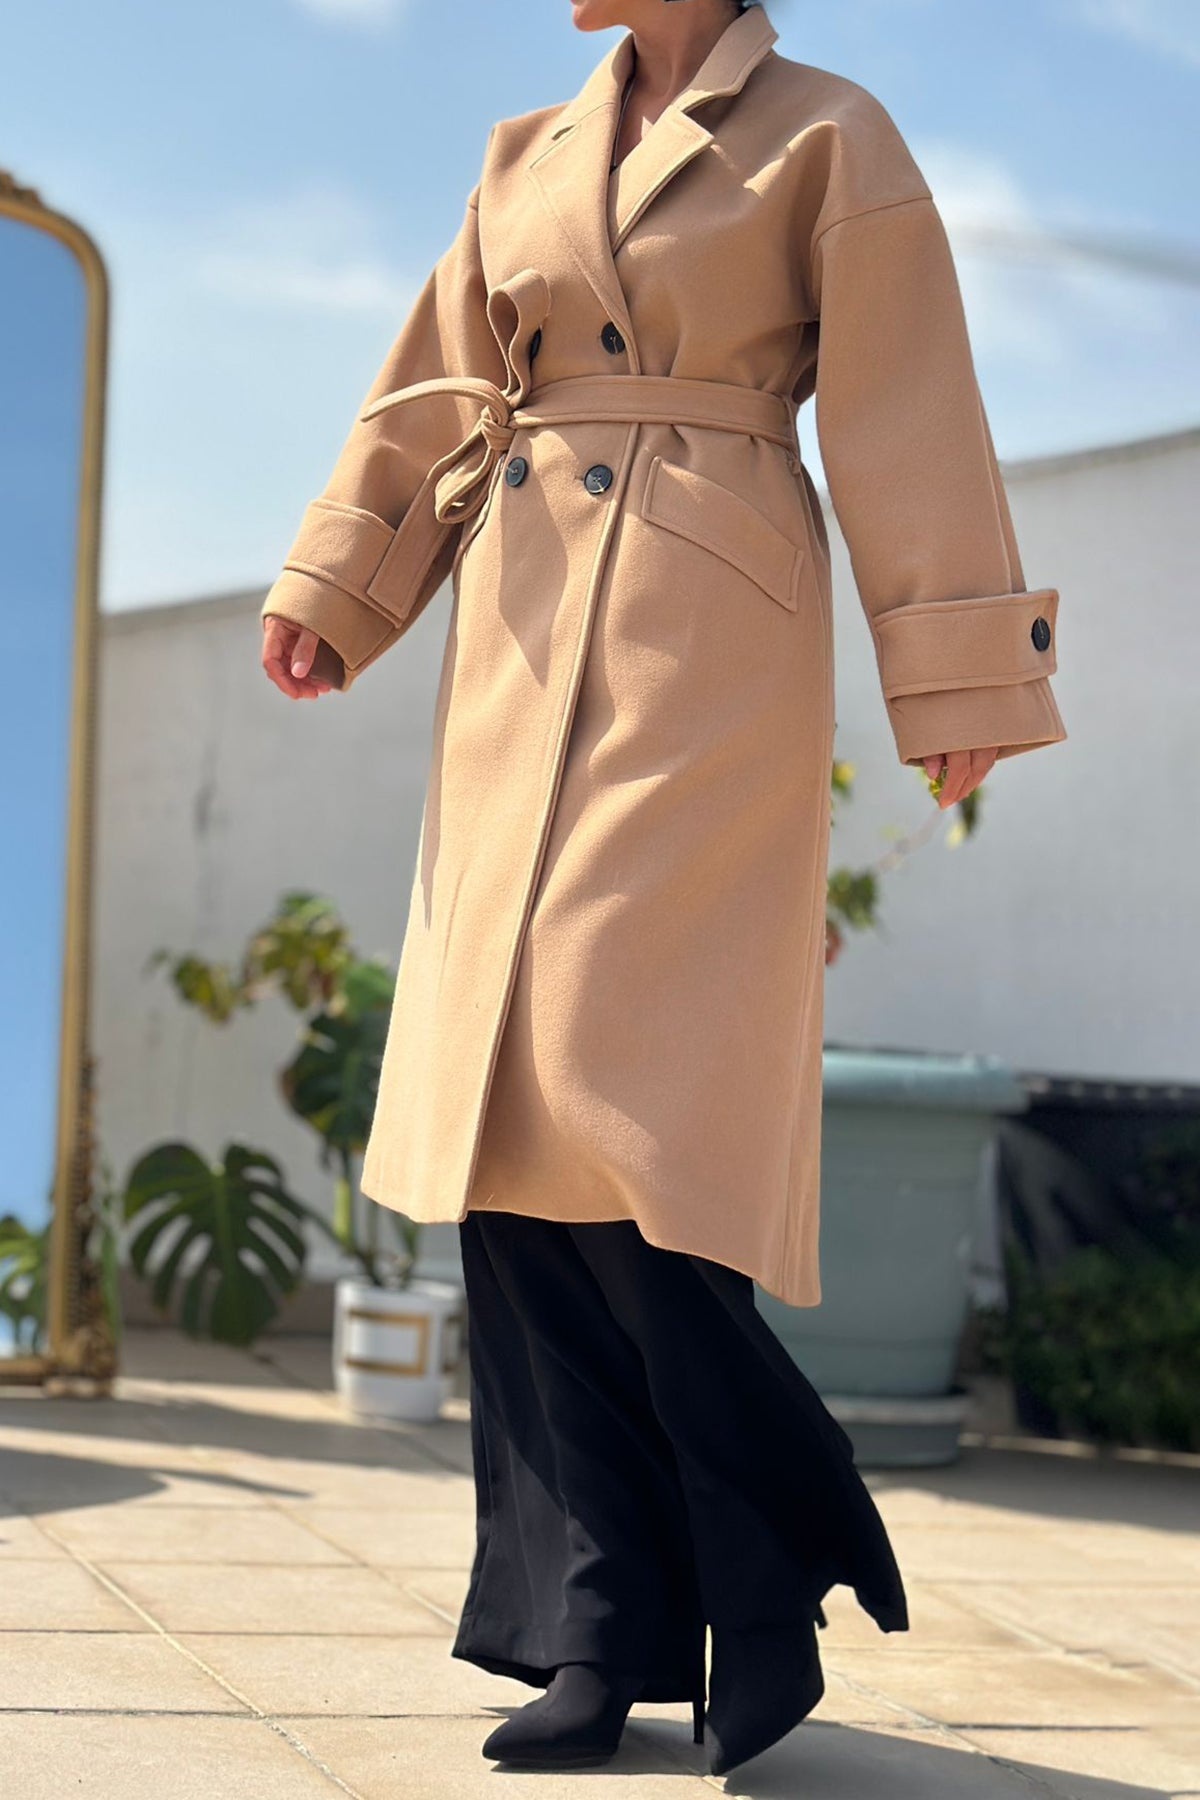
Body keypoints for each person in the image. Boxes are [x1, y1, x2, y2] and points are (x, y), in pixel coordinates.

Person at [260, 0, 1067, 1777]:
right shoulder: (523, 157)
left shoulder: (827, 135)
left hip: (711, 640)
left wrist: (955, 679)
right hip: (521, 626)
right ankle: (599, 1628)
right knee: (508, 1133)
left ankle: (769, 1571)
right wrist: (344, 576)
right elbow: (438, 382)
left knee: (631, 1115)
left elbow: (909, 404)